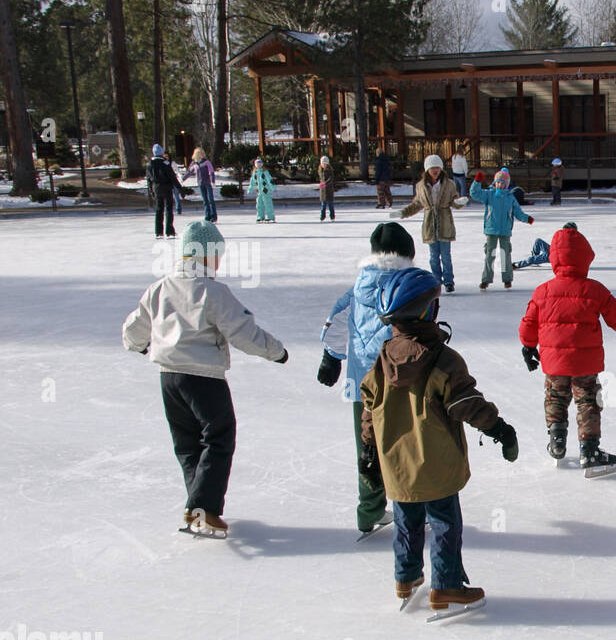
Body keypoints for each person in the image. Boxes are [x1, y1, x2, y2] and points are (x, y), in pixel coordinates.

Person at [360, 269, 518, 614]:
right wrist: (501, 430)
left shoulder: (382, 359)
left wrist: (369, 453)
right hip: (437, 465)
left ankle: (406, 576)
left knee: (407, 521)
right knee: (445, 524)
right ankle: (446, 588)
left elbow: (369, 409)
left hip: (398, 466)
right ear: (426, 311)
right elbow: (466, 405)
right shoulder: (443, 360)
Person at [121, 220, 288, 537]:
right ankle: (204, 508)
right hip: (203, 378)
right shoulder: (212, 291)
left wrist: (142, 346)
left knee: (187, 444)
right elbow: (242, 331)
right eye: (218, 255)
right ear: (208, 255)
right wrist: (276, 352)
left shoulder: (160, 288)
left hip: (169, 379)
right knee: (219, 436)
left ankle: (197, 507)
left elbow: (132, 332)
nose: (219, 262)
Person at [318, 222, 420, 535]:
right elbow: (423, 331)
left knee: (368, 446)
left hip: (361, 384)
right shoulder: (409, 287)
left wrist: (332, 357)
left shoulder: (358, 286)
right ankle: (412, 508)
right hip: (400, 382)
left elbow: (335, 323)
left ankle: (369, 511)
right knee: (406, 445)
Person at [519, 224, 616, 473]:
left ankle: (557, 440)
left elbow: (529, 322)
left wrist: (528, 347)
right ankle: (590, 451)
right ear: (585, 257)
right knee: (587, 401)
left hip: (554, 361)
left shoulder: (543, 291)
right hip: (585, 362)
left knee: (555, 397)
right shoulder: (594, 289)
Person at [400, 154, 463, 290]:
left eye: (437, 168)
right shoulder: (421, 186)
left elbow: (454, 201)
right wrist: (403, 213)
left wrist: (458, 202)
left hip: (445, 223)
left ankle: (448, 282)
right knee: (434, 256)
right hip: (430, 225)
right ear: (427, 170)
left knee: (446, 255)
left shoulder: (449, 184)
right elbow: (417, 204)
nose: (435, 170)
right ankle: (436, 281)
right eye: (432, 168)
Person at [469, 168, 533, 290]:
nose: (500, 184)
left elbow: (518, 212)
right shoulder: (489, 194)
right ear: (495, 182)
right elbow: (474, 193)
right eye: (498, 182)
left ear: (507, 184)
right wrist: (477, 181)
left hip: (505, 230)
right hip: (491, 230)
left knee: (505, 255)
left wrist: (527, 218)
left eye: (503, 183)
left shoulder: (510, 197)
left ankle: (507, 279)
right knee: (489, 255)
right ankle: (486, 280)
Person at [146, 143, 181, 239]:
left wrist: (151, 191)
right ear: (161, 153)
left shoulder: (149, 164)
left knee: (159, 210)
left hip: (156, 188)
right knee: (169, 209)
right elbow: (172, 177)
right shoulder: (165, 163)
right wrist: (180, 188)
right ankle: (169, 231)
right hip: (166, 188)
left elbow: (149, 179)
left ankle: (158, 231)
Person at [185, 147, 218, 222]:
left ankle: (214, 216)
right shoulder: (194, 164)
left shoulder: (206, 162)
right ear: (196, 154)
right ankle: (207, 215)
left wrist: (212, 181)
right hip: (200, 183)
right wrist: (183, 179)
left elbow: (211, 172)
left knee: (210, 200)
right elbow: (189, 172)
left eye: (202, 153)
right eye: (200, 153)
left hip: (208, 183)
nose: (202, 154)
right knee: (205, 200)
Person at [248, 157, 276, 223]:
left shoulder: (265, 172)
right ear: (255, 165)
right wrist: (250, 189)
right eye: (257, 164)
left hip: (265, 190)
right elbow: (252, 182)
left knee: (268, 203)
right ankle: (260, 217)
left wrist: (273, 187)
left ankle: (270, 217)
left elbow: (270, 179)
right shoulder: (255, 172)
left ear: (262, 164)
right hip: (259, 191)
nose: (258, 165)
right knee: (259, 204)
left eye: (260, 164)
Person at [165, 150, 184, 215]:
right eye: (165, 156)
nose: (166, 158)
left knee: (176, 196)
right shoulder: (163, 163)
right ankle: (169, 210)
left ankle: (178, 209)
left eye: (167, 156)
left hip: (174, 181)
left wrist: (180, 177)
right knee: (168, 197)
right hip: (167, 182)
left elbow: (178, 172)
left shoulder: (172, 163)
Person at [318, 155, 336, 221]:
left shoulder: (330, 171)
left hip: (329, 191)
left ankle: (332, 216)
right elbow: (321, 179)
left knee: (330, 205)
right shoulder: (320, 171)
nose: (324, 165)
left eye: (325, 163)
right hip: (323, 191)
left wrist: (324, 183)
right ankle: (322, 217)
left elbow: (330, 179)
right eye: (323, 163)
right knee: (323, 206)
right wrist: (321, 185)